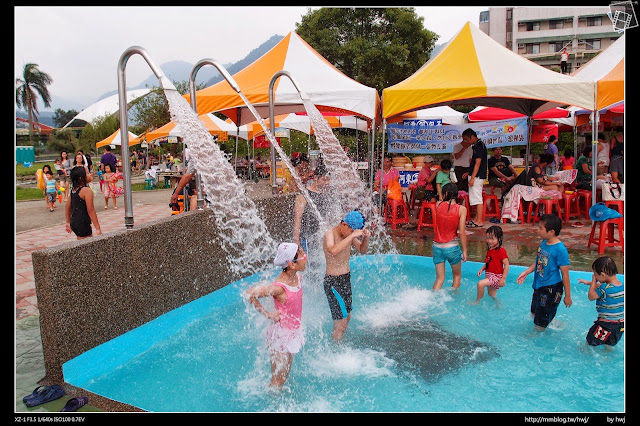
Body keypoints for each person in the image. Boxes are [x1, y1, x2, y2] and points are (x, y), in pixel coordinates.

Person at [245, 242, 308, 389]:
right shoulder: (279, 288)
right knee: (277, 381)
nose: (306, 257)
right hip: (281, 336)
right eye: (302, 255)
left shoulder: (296, 276)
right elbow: (250, 294)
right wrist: (268, 314)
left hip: (292, 332)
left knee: (285, 374)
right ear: (291, 264)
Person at [516, 214, 572, 330]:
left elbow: (565, 274)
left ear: (551, 232)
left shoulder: (560, 249)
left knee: (539, 323)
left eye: (541, 228)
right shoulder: (544, 243)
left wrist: (567, 296)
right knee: (534, 312)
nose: (538, 231)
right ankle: (550, 321)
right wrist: (526, 272)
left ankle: (536, 334)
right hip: (539, 285)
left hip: (551, 288)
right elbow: (538, 262)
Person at [322, 211, 370, 341]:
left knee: (347, 317)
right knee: (341, 322)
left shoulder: (348, 233)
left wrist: (365, 239)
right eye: (351, 232)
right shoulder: (330, 234)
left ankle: (339, 339)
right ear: (344, 224)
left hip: (345, 279)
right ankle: (336, 350)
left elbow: (362, 250)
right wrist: (352, 235)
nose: (352, 235)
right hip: (333, 282)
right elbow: (333, 250)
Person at [577, 257, 624, 347]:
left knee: (590, 343)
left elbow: (591, 296)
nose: (595, 277)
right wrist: (588, 282)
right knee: (609, 345)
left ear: (602, 275)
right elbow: (604, 285)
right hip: (620, 326)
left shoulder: (604, 289)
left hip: (605, 325)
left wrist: (593, 280)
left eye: (595, 274)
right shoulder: (622, 286)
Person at [432, 183, 468, 291]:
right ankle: (453, 299)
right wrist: (465, 250)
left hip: (437, 246)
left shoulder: (438, 204)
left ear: (445, 193)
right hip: (451, 247)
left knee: (439, 278)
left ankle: (434, 298)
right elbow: (461, 232)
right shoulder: (461, 209)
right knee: (457, 276)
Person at [292, 165, 331, 254]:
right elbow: (297, 218)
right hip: (306, 238)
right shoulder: (304, 195)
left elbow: (326, 218)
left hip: (320, 237)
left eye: (328, 180)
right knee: (308, 264)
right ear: (315, 178)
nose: (327, 183)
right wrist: (296, 239)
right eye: (324, 180)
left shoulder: (325, 195)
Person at [472, 225, 509, 304]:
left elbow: (507, 265)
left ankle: (477, 302)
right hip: (489, 275)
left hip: (496, 277)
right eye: (488, 238)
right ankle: (499, 305)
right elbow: (488, 262)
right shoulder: (490, 250)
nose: (489, 241)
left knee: (480, 284)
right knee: (491, 294)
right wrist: (482, 269)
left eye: (492, 238)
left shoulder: (501, 251)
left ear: (499, 238)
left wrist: (503, 279)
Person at [65, 166, 102, 240]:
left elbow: (67, 207)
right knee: (87, 244)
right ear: (81, 178)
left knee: (81, 242)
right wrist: (98, 228)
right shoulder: (86, 191)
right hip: (82, 222)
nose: (90, 175)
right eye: (87, 173)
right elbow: (90, 210)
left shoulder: (74, 190)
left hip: (75, 222)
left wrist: (68, 222)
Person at [464, 128, 488, 228]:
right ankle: (476, 219)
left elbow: (478, 163)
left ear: (472, 137)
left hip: (477, 176)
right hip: (475, 174)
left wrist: (473, 177)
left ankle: (479, 221)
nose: (466, 142)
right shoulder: (477, 145)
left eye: (467, 139)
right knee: (475, 198)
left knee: (478, 199)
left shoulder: (479, 146)